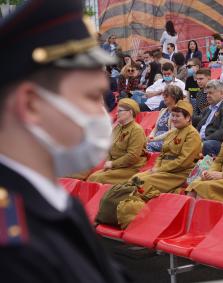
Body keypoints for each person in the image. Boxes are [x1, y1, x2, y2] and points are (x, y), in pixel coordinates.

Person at [0, 0, 130, 282]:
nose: (104, 116)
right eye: (92, 98)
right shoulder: (13, 246)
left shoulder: (54, 204)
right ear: (31, 105)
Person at [132, 100, 201, 194]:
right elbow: (162, 154)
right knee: (134, 180)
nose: (174, 119)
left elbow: (183, 161)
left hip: (178, 173)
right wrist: (156, 167)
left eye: (178, 116)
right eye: (173, 115)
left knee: (142, 184)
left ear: (188, 118)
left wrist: (159, 169)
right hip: (163, 169)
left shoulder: (192, 134)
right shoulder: (172, 132)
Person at [87, 99, 147, 184]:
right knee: (91, 177)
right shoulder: (117, 127)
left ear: (129, 112)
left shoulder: (136, 130)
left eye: (120, 111)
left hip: (130, 168)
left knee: (97, 179)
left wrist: (112, 164)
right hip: (116, 167)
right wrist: (109, 162)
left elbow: (132, 156)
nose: (116, 113)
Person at [196, 80, 223, 156]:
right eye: (207, 93)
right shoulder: (207, 109)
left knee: (206, 144)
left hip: (217, 142)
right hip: (201, 140)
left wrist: (203, 140)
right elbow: (199, 126)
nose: (207, 95)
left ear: (222, 93)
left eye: (210, 93)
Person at [147, 85, 184, 152]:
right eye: (163, 95)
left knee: (147, 147)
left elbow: (172, 132)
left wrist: (154, 139)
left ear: (174, 97)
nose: (163, 97)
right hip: (156, 139)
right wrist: (150, 138)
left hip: (168, 140)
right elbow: (155, 129)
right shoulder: (163, 111)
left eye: (166, 95)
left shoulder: (178, 112)